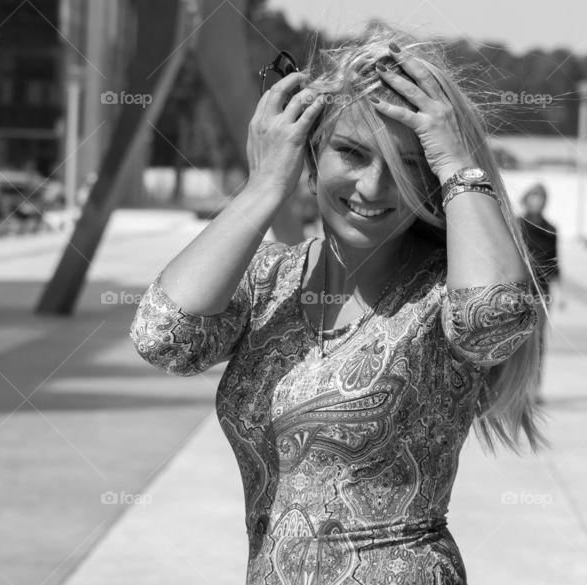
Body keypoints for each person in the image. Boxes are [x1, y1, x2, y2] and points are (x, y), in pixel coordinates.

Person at [129, 23, 547, 585]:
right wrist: (263, 187)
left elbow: (492, 322)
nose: (374, 188)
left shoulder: (442, 292)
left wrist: (455, 160)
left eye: (409, 166)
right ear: (311, 154)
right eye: (351, 153)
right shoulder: (269, 279)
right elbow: (164, 340)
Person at [519, 183, 562, 404]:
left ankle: (534, 389)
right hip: (518, 292)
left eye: (541, 197)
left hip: (542, 294)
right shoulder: (516, 224)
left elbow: (556, 265)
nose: (537, 201)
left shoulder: (551, 229)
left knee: (538, 342)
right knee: (517, 340)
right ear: (526, 199)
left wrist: (560, 293)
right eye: (534, 196)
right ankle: (515, 389)